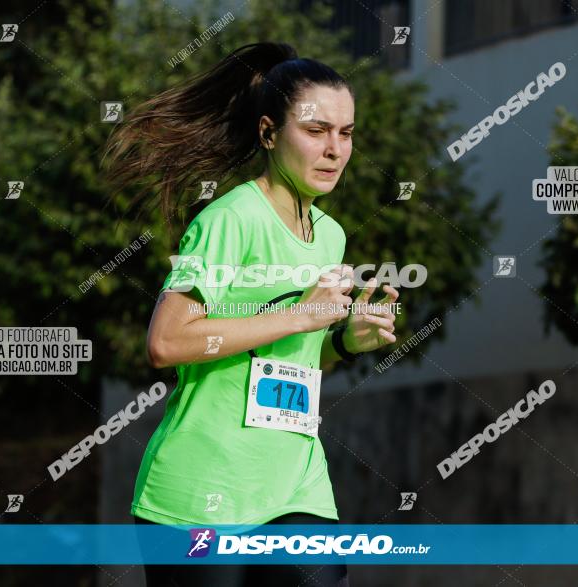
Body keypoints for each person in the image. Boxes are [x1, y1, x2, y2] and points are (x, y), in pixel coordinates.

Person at [103, 41, 400, 587]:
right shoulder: (231, 219)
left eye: (346, 133)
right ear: (268, 133)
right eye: (316, 131)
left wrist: (342, 343)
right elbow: (166, 343)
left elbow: (292, 360)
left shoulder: (330, 235)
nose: (335, 149)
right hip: (203, 491)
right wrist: (301, 315)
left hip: (295, 484)